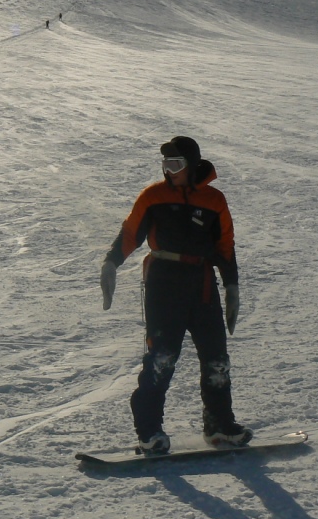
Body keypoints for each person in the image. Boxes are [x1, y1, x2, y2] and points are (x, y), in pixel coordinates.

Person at [100, 136, 250, 454]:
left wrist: (232, 287)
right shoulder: (153, 197)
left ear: (192, 165)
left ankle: (219, 425)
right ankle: (150, 432)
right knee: (162, 359)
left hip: (202, 284)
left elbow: (225, 245)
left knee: (216, 360)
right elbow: (131, 232)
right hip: (163, 283)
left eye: (176, 164)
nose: (170, 171)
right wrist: (111, 262)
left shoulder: (214, 201)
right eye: (166, 165)